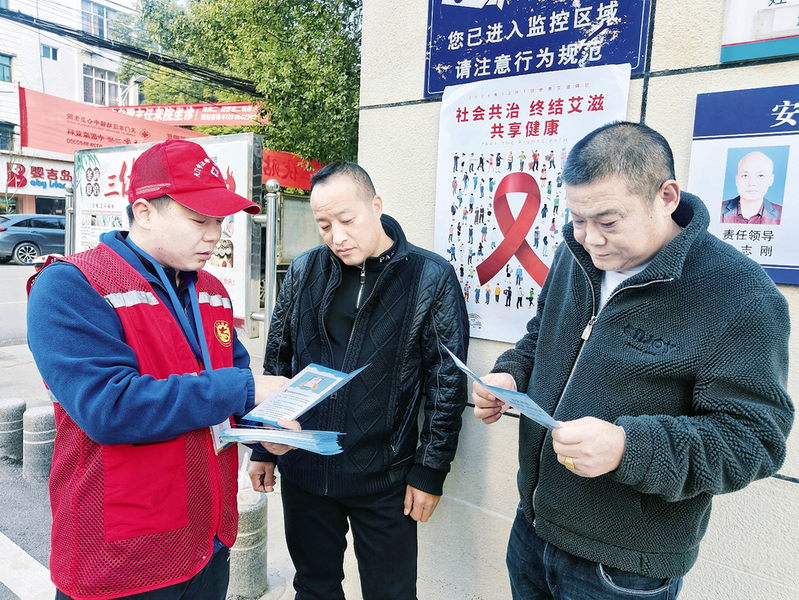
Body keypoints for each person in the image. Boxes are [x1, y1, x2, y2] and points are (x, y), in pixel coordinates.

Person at [472, 122, 793, 600]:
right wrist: (511, 373)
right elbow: (543, 335)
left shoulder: (740, 295)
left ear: (666, 197)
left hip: (623, 568)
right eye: (577, 219)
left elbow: (754, 441)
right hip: (533, 527)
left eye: (608, 222)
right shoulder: (574, 256)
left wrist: (628, 448)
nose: (590, 239)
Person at [26, 139, 290, 599]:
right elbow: (111, 408)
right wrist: (245, 389)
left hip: (207, 541)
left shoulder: (211, 290)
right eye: (199, 220)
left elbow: (229, 383)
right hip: (120, 558)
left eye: (221, 221)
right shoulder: (73, 285)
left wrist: (263, 430)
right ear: (144, 212)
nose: (215, 235)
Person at [248, 161, 469, 600]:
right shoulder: (305, 269)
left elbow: (446, 384)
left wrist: (430, 470)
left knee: (392, 594)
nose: (337, 236)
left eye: (347, 220)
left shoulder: (429, 276)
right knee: (313, 589)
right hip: (304, 469)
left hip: (384, 477)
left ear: (376, 205)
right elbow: (278, 360)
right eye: (324, 225)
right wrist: (262, 446)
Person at [720, 151, 781, 225]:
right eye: (745, 175)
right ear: (737, 180)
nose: (751, 183)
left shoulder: (781, 214)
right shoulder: (719, 209)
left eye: (760, 175)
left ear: (771, 180)